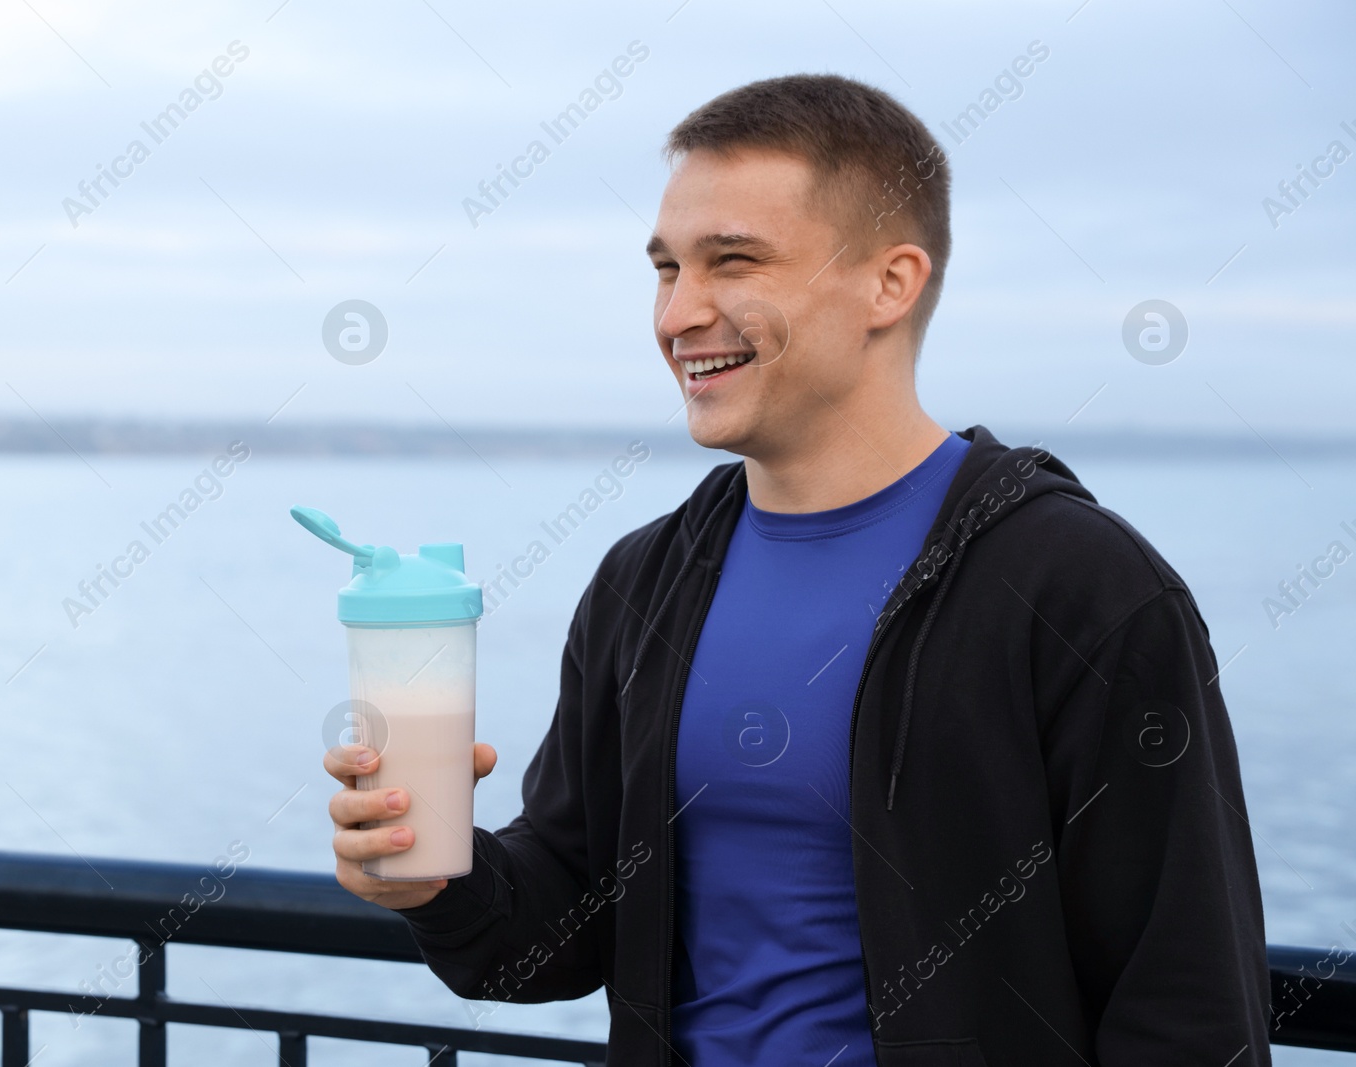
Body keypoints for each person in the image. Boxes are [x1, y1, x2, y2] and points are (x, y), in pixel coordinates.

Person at [324, 74, 1269, 1066]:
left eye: (731, 261)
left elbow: (1186, 1001)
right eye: (665, 269)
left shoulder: (1081, 587)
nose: (679, 313)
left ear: (889, 283)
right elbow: (561, 930)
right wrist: (435, 875)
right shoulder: (644, 582)